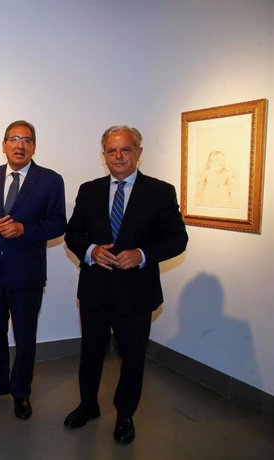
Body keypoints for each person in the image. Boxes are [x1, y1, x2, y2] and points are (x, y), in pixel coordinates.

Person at [63, 125, 188, 444]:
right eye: (111, 151)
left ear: (138, 153)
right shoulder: (89, 189)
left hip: (137, 292)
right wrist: (91, 251)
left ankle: (125, 416)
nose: (118, 156)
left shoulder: (161, 191)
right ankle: (88, 405)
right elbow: (73, 234)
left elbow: (178, 239)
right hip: (94, 289)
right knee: (90, 352)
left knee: (132, 358)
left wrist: (143, 254)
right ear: (103, 155)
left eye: (125, 149)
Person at [0, 120, 66, 420]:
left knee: (24, 336)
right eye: (14, 139)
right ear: (4, 145)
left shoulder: (50, 180)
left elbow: (58, 223)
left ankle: (21, 392)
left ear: (34, 146)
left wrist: (24, 229)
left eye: (26, 139)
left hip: (27, 276)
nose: (20, 145)